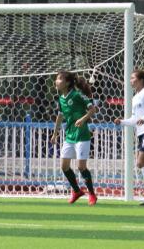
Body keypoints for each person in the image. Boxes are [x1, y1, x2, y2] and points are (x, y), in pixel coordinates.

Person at [114, 69, 144, 206]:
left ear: (141, 80)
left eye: (133, 78)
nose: (130, 80)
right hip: (143, 133)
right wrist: (122, 122)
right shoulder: (135, 98)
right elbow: (135, 119)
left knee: (141, 163)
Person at [50, 71, 98, 205]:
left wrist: (83, 119)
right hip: (69, 136)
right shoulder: (61, 98)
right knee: (64, 166)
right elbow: (60, 116)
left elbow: (92, 109)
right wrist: (55, 133)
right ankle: (77, 191)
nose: (56, 81)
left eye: (59, 79)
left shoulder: (77, 95)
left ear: (68, 83)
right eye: (56, 79)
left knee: (81, 167)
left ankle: (92, 194)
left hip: (82, 135)